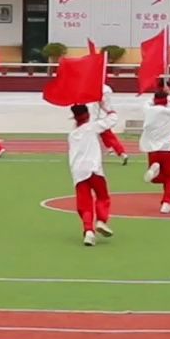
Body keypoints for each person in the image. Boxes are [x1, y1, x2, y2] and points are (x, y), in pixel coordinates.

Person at [67, 102, 119, 246]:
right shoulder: (92, 127)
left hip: (78, 171)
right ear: (88, 115)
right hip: (94, 168)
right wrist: (106, 107)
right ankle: (101, 220)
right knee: (102, 197)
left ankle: (88, 231)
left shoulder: (72, 135)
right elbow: (113, 119)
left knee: (84, 203)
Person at [139, 87, 170, 215]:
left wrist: (158, 97)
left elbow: (146, 102)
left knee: (158, 178)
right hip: (165, 148)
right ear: (165, 101)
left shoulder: (148, 110)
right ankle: (166, 202)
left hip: (152, 149)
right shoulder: (168, 112)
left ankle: (156, 167)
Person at [97, 83, 128, 165]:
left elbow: (101, 102)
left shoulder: (98, 88)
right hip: (106, 115)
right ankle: (110, 149)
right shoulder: (107, 88)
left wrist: (106, 110)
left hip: (99, 116)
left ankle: (121, 152)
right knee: (106, 135)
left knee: (106, 136)